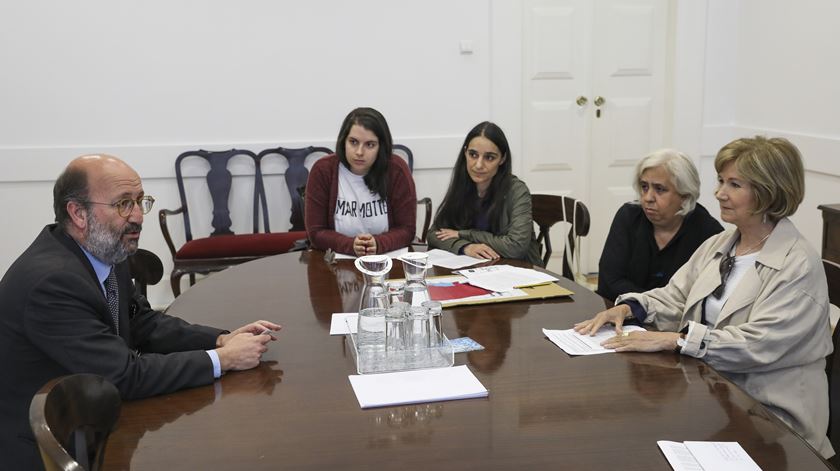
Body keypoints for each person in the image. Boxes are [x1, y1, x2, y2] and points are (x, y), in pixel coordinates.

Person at [0, 154, 281, 470]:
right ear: (78, 213)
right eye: (123, 204)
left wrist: (220, 339)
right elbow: (122, 375)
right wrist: (223, 360)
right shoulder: (52, 283)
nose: (138, 216)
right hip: (48, 447)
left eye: (139, 201)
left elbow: (142, 322)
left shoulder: (104, 250)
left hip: (90, 413)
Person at [574, 136, 834, 458]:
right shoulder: (722, 243)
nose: (719, 193)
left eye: (734, 184)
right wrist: (630, 308)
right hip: (716, 395)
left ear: (769, 192)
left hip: (772, 422)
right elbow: (676, 296)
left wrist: (675, 340)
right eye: (721, 181)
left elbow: (756, 345)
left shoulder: (797, 264)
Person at [597, 149, 723, 302]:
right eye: (644, 187)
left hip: (673, 322)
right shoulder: (629, 217)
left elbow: (700, 298)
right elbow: (609, 283)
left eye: (660, 189)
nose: (648, 198)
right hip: (619, 313)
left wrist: (650, 307)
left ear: (685, 195)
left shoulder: (708, 233)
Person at [305, 107, 417, 256]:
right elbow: (316, 233)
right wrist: (350, 245)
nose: (359, 152)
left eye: (370, 144)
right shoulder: (323, 170)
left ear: (381, 146)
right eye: (353, 142)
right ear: (343, 141)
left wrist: (377, 243)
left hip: (386, 261)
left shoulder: (396, 170)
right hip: (336, 263)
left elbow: (407, 230)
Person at [427, 121, 542, 266]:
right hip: (478, 272)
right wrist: (466, 247)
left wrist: (465, 234)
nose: (479, 165)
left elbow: (516, 247)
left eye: (489, 158)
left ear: (503, 159)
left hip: (521, 273)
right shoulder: (462, 184)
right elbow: (433, 235)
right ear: (465, 152)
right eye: (473, 155)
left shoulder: (517, 190)